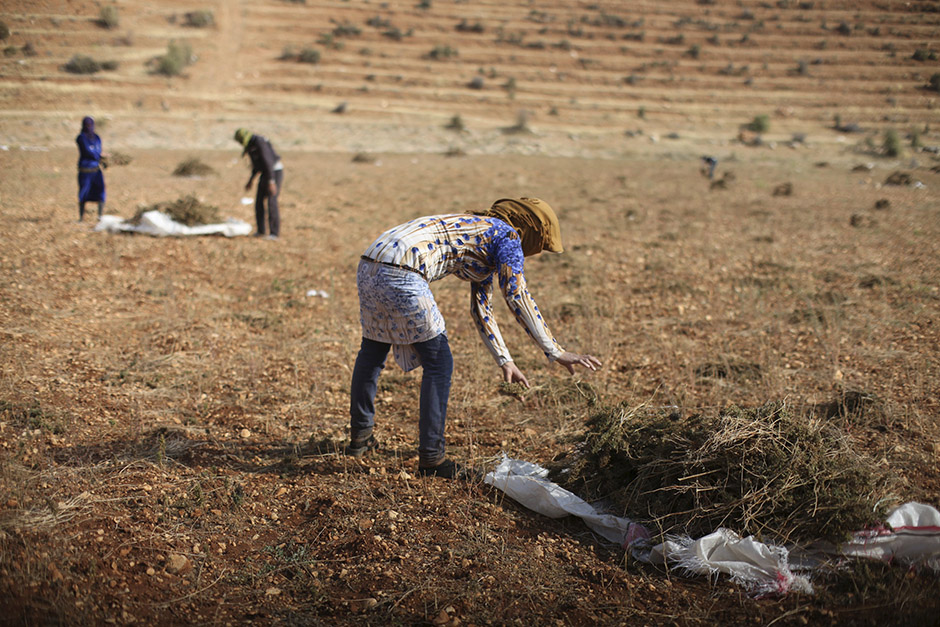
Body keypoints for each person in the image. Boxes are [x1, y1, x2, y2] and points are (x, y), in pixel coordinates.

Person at [348, 197, 602, 479]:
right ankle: (432, 458)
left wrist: (505, 360)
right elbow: (517, 295)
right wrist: (555, 350)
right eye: (540, 246)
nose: (534, 253)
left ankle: (361, 435)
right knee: (439, 363)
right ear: (530, 231)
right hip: (404, 270)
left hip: (371, 262)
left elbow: (482, 309)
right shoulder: (507, 236)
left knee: (373, 349)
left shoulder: (480, 231)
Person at [234, 128, 283, 240]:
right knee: (259, 201)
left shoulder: (259, 142)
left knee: (271, 200)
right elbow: (257, 166)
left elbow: (268, 162)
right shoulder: (251, 145)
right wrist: (251, 180)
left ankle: (274, 233)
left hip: (274, 172)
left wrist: (271, 181)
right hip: (266, 173)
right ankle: (261, 231)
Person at [76, 116, 107, 222]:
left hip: (96, 171)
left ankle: (100, 217)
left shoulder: (97, 138)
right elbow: (88, 151)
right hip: (85, 171)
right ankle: (81, 218)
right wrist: (100, 155)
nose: (89, 127)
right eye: (87, 125)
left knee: (100, 193)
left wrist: (102, 157)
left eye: (90, 125)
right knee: (83, 194)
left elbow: (98, 149)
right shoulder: (81, 138)